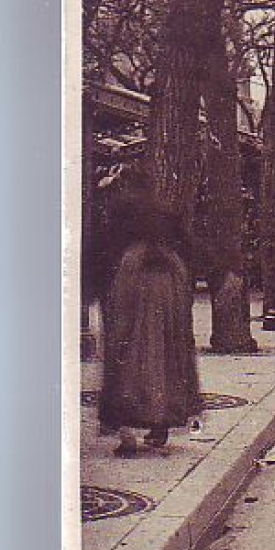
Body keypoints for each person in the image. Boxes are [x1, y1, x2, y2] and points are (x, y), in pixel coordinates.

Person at [99, 182, 203, 456]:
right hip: (170, 278)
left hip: (132, 278)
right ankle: (160, 421)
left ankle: (128, 430)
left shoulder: (119, 209)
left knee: (126, 348)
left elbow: (104, 250)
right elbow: (189, 246)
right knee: (169, 349)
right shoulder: (166, 212)